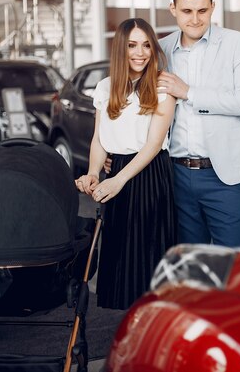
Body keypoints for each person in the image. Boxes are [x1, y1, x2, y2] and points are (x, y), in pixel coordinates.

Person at [76, 18, 177, 310]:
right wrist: (93, 173)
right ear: (121, 48)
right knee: (122, 260)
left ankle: (157, 339)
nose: (140, 52)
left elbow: (153, 145)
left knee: (147, 261)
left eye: (146, 45)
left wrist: (118, 180)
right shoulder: (106, 87)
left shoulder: (161, 86)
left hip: (149, 175)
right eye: (132, 45)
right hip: (115, 173)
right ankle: (133, 337)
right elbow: (99, 139)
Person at [157, 0, 240, 247]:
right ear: (173, 9)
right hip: (176, 174)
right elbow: (147, 108)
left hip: (224, 175)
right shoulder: (161, 49)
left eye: (202, 10)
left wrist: (189, 92)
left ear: (213, 7)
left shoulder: (237, 44)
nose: (195, 19)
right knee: (190, 264)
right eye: (187, 11)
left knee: (233, 261)